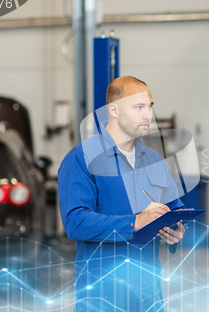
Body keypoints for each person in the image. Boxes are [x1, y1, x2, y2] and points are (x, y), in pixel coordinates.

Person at [58, 76, 185, 312]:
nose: (148, 115)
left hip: (148, 291)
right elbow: (75, 222)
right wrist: (135, 222)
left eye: (150, 107)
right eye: (139, 107)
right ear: (113, 110)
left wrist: (176, 229)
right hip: (103, 293)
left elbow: (175, 208)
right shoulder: (81, 158)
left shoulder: (155, 160)